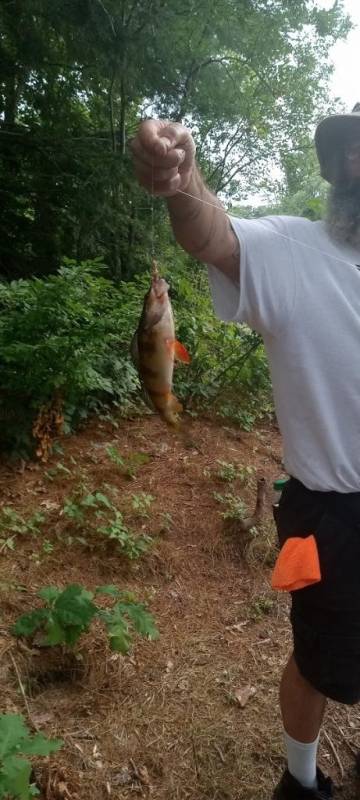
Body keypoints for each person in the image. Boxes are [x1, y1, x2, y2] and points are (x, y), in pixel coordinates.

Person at [131, 105, 360, 800]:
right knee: (319, 663)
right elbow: (212, 233)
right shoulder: (297, 251)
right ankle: (300, 781)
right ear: (346, 167)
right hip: (334, 519)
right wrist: (181, 177)